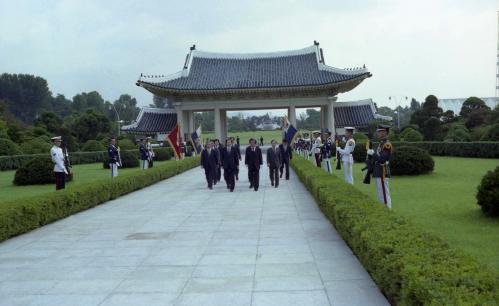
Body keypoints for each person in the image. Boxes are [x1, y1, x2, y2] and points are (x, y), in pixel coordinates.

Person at [367, 124, 392, 209]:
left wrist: (373, 153)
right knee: (380, 195)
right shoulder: (381, 143)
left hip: (383, 172)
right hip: (378, 171)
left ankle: (388, 212)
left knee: (384, 196)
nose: (377, 133)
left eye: (379, 131)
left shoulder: (387, 145)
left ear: (384, 132)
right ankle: (384, 212)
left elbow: (382, 159)